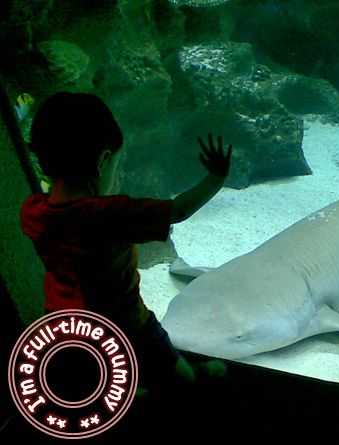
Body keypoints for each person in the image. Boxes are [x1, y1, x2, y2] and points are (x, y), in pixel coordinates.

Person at [20, 92, 231, 395]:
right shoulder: (109, 215)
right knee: (177, 378)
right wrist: (216, 178)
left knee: (96, 382)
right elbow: (179, 210)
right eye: (115, 166)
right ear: (104, 160)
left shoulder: (32, 210)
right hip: (125, 322)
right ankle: (172, 383)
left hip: (62, 322)